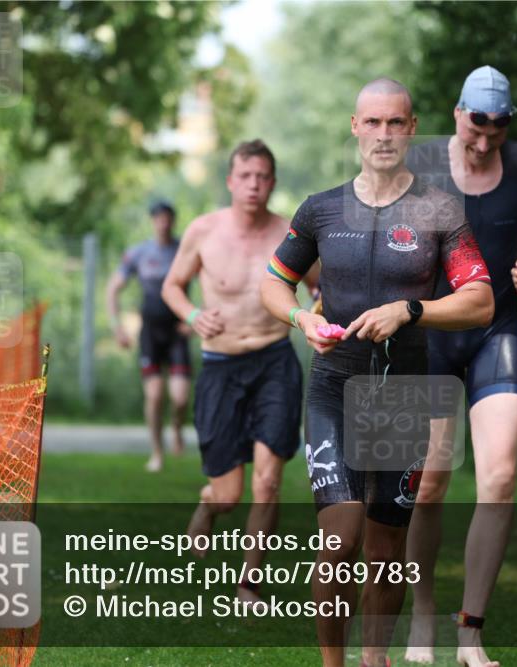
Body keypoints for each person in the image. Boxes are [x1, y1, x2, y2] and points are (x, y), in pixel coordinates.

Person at [261, 78, 496, 667]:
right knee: (339, 540)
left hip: (403, 394)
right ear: (354, 126)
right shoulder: (319, 209)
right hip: (334, 387)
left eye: (396, 123)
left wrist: (411, 309)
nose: (384, 135)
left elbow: (481, 300)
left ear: (413, 128)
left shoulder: (438, 210)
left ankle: (375, 661)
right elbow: (272, 281)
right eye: (373, 123)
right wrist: (299, 319)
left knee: (388, 546)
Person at [402, 66, 517, 667]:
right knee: (427, 487)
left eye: (496, 131)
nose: (483, 141)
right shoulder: (416, 163)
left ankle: (470, 631)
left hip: (496, 332)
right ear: (457, 113)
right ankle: (422, 614)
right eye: (476, 126)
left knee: (498, 480)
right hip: (432, 339)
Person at [161, 140, 318, 604]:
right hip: (220, 365)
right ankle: (210, 505)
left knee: (267, 481)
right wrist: (192, 316)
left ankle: (249, 581)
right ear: (230, 181)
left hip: (274, 361)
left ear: (273, 181)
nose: (254, 185)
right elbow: (173, 285)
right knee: (229, 494)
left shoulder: (290, 233)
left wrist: (317, 311)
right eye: (245, 176)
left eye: (263, 176)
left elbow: (318, 286)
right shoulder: (204, 231)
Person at [107, 200, 192, 473]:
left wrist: (196, 319)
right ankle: (157, 452)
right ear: (153, 221)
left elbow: (213, 282)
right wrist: (117, 326)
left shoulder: (184, 251)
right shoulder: (139, 253)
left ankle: (177, 427)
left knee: (179, 398)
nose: (163, 223)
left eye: (168, 218)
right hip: (150, 334)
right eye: (159, 218)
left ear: (173, 220)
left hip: (178, 332)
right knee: (155, 396)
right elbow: (113, 289)